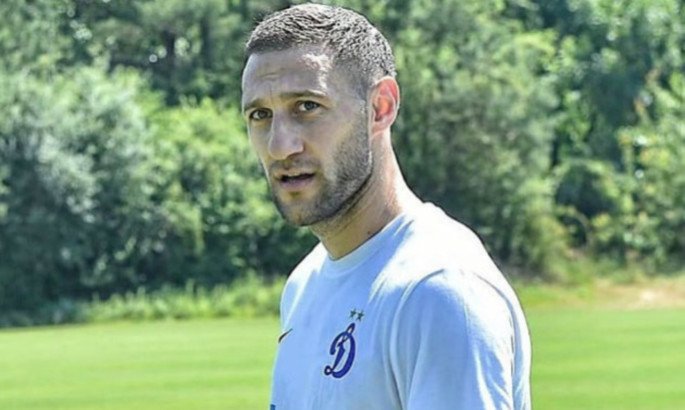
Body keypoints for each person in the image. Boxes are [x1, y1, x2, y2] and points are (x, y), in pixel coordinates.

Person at [241, 4, 531, 409]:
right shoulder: (305, 282)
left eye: (307, 106)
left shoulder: (438, 291)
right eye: (260, 115)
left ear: (380, 108)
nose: (279, 146)